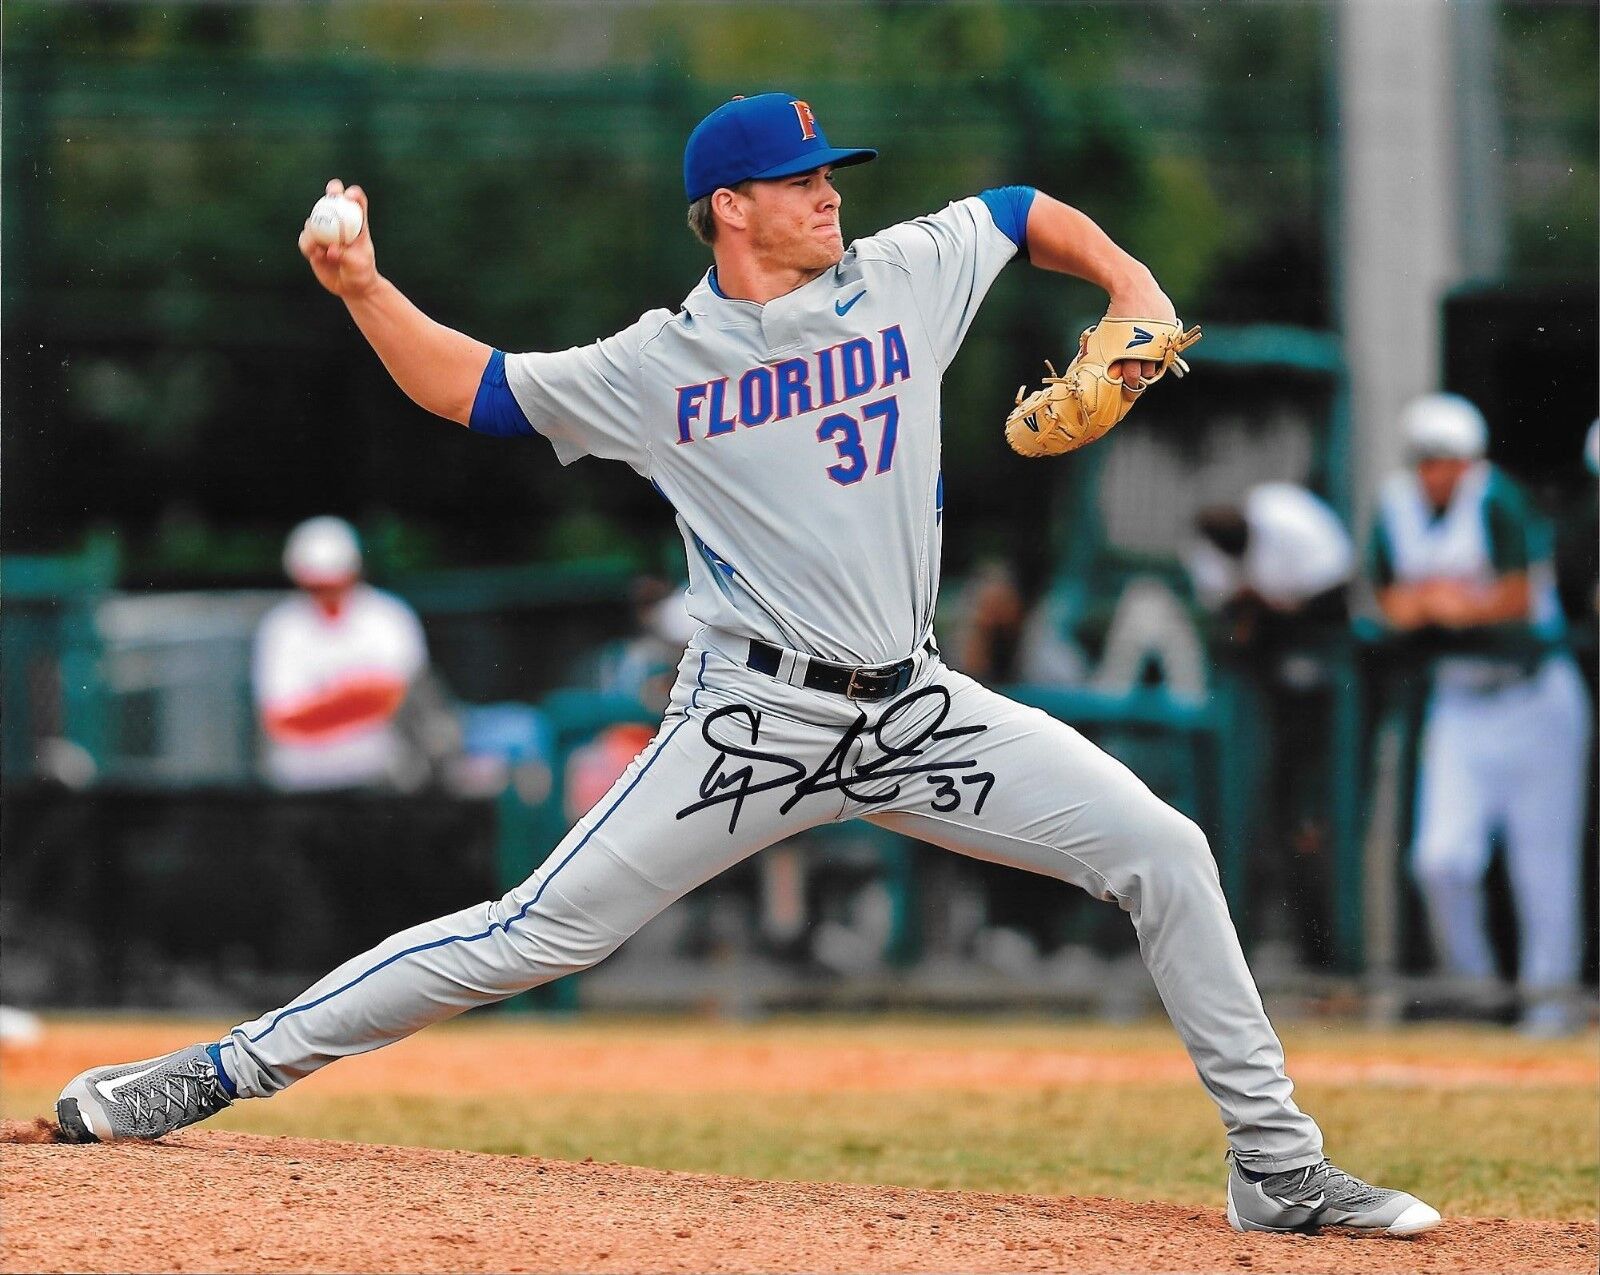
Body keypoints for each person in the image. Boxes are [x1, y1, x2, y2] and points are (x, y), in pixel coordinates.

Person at [57, 93, 1438, 1237]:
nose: (828, 193)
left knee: (1166, 846)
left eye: (830, 172)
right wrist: (362, 288)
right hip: (750, 722)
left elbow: (1020, 213)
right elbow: (467, 386)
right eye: (798, 179)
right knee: (532, 931)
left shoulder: (902, 274)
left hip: (917, 706)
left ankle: (1276, 1165)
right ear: (730, 206)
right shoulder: (661, 363)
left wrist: (1134, 284)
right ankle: (215, 1067)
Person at [1369, 394, 1592, 1036]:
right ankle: (1477, 996)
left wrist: (1448, 605)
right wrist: (1440, 603)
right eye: (1429, 460)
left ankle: (1550, 1014)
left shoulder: (1499, 500)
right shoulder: (1396, 507)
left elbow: (1520, 595)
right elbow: (1389, 598)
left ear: (1471, 461)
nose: (1440, 472)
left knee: (1542, 866)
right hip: (1460, 703)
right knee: (1441, 859)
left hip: (1534, 698)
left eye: (1451, 460)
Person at [1186, 484, 1356, 967]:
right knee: (1269, 824)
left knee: (1321, 824)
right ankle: (1288, 952)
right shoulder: (1213, 562)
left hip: (1327, 688)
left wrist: (1277, 608)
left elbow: (1333, 593)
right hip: (1267, 703)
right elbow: (1231, 628)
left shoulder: (1290, 522)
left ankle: (1333, 963)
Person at [253, 516, 431, 791]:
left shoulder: (389, 617)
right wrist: (358, 698)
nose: (327, 594)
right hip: (302, 775)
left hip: (384, 770)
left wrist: (323, 704)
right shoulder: (281, 627)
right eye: (316, 585)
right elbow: (281, 717)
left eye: (335, 583)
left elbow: (400, 698)